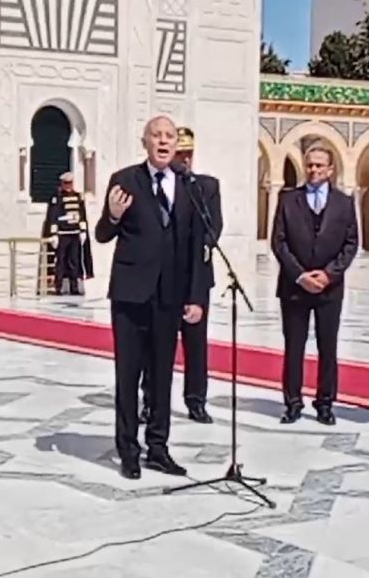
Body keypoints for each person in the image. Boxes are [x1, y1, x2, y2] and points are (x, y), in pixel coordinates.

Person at [94, 115, 208, 480]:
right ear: (145, 142)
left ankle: (158, 447)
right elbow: (101, 234)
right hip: (131, 295)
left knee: (162, 376)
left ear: (177, 143)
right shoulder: (125, 180)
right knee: (128, 375)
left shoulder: (188, 185)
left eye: (169, 136)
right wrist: (113, 216)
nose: (163, 141)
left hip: (169, 296)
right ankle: (128, 449)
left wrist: (196, 296)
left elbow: (197, 247)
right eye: (156, 135)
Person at [138, 126, 223, 424]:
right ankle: (151, 399)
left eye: (188, 153)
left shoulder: (205, 186)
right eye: (180, 153)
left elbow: (214, 229)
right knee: (155, 344)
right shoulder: (157, 185)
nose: (184, 159)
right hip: (162, 279)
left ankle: (196, 400)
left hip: (195, 276)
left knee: (195, 344)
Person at [271, 145, 359, 425]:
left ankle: (325, 403)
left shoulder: (344, 203)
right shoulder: (288, 200)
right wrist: (300, 275)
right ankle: (292, 402)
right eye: (310, 165)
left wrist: (329, 274)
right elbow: (279, 242)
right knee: (294, 347)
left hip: (329, 288)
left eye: (320, 165)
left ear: (330, 170)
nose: (314, 170)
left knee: (327, 347)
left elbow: (351, 243)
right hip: (294, 287)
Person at [44, 172, 93, 295]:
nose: (68, 186)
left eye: (70, 183)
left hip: (74, 233)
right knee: (60, 261)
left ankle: (74, 287)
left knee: (74, 261)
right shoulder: (57, 197)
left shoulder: (78, 197)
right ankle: (58, 287)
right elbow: (53, 215)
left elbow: (82, 214)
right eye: (66, 183)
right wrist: (54, 233)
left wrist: (83, 231)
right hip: (62, 234)